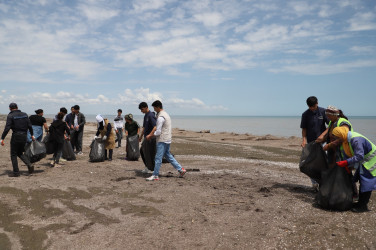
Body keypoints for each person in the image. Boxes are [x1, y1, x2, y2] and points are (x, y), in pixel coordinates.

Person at [332, 127, 376, 212]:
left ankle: (363, 206)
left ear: (341, 134)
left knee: (366, 184)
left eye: (337, 137)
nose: (337, 140)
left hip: (371, 162)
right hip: (364, 162)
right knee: (361, 181)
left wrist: (346, 162)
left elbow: (359, 156)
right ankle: (360, 203)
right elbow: (349, 154)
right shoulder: (345, 140)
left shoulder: (356, 140)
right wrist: (347, 166)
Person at [145, 100, 186, 181]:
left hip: (162, 140)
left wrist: (150, 135)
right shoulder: (166, 114)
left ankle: (155, 175)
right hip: (168, 139)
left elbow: (158, 131)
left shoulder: (160, 117)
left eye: (154, 108)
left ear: (158, 107)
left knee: (158, 158)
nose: (154, 110)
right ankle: (181, 169)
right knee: (168, 155)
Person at [300, 96, 329, 190]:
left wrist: (323, 135)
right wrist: (304, 140)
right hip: (311, 143)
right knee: (312, 164)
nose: (312, 108)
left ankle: (325, 183)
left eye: (313, 106)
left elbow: (330, 126)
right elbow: (304, 129)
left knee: (324, 162)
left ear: (317, 103)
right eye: (310, 107)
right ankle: (314, 184)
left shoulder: (323, 111)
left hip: (323, 142)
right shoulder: (305, 114)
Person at [1, 103, 35, 177]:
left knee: (13, 154)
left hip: (16, 136)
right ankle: (29, 164)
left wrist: (2, 138)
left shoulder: (10, 115)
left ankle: (16, 172)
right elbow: (30, 125)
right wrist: (32, 135)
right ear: (17, 107)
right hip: (24, 136)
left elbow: (7, 128)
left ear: (10, 108)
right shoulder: (25, 114)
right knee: (19, 152)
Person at [138, 102, 157, 173]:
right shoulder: (146, 116)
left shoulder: (151, 115)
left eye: (142, 109)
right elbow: (144, 127)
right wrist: (140, 137)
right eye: (140, 110)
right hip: (146, 138)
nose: (141, 111)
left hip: (151, 138)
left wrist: (150, 135)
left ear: (146, 107)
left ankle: (150, 168)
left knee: (149, 154)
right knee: (142, 151)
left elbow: (155, 127)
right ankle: (148, 166)